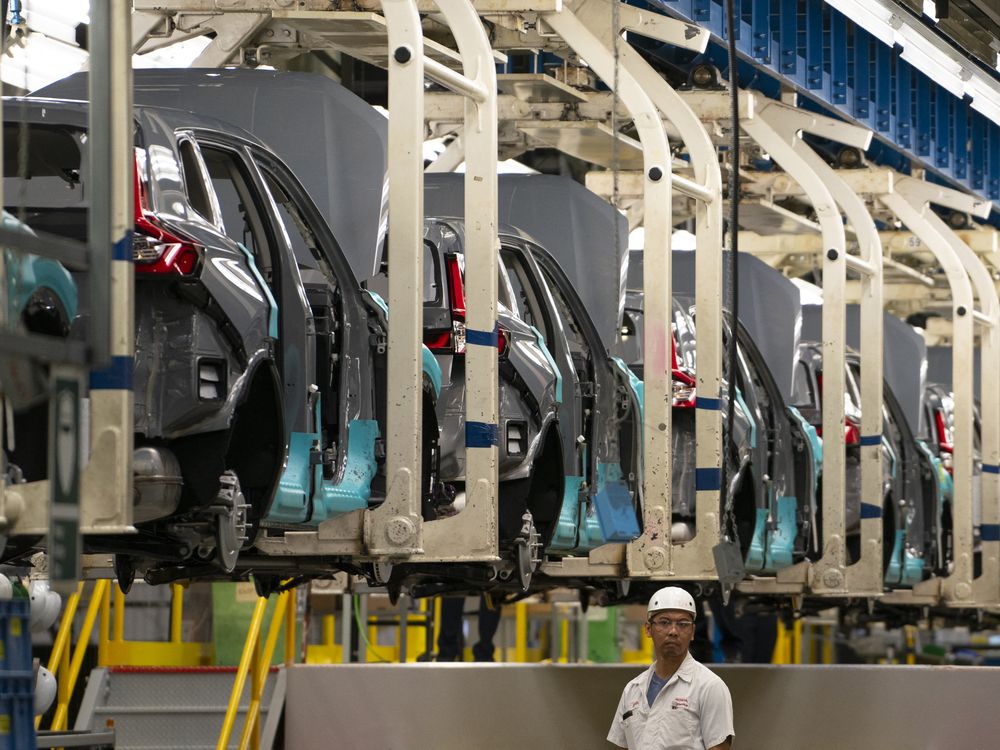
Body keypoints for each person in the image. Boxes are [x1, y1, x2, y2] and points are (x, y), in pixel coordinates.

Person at [608, 586, 734, 749]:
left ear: (693, 631)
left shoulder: (709, 686)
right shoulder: (632, 690)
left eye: (682, 624)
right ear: (648, 629)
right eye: (664, 622)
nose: (673, 631)